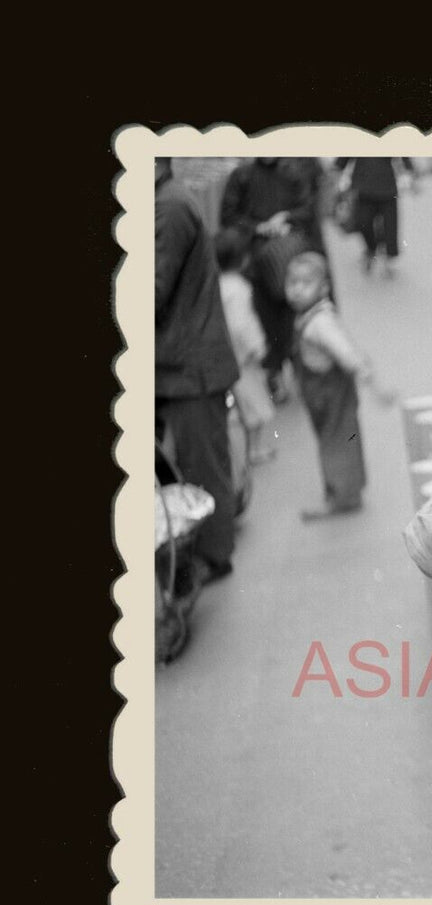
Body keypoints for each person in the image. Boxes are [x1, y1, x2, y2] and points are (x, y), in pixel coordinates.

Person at [155, 156, 240, 586]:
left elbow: (151, 290)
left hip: (190, 366)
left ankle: (214, 555)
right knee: (197, 461)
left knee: (203, 466)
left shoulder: (167, 207)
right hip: (178, 363)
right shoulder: (165, 200)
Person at [284, 252, 395, 521]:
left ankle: (343, 496)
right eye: (292, 282)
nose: (297, 289)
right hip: (325, 393)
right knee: (341, 438)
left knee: (336, 442)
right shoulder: (311, 315)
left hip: (329, 394)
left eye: (305, 283)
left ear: (324, 288)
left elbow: (344, 351)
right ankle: (348, 491)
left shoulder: (319, 322)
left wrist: (369, 378)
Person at [219, 157, 329, 401]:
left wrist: (286, 218)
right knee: (267, 320)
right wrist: (257, 228)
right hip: (258, 265)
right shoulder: (242, 176)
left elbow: (308, 208)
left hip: (291, 259)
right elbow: (229, 215)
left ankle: (301, 370)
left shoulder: (293, 172)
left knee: (295, 319)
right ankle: (274, 374)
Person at [213, 228, 277, 464]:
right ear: (243, 259)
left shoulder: (217, 285)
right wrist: (257, 347)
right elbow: (242, 324)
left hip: (224, 352)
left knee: (241, 403)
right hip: (243, 356)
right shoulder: (239, 288)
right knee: (255, 404)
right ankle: (254, 449)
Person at [334, 157, 414, 276]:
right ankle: (371, 248)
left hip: (387, 188)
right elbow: (343, 159)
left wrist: (408, 169)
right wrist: (338, 171)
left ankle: (388, 257)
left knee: (390, 226)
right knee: (363, 223)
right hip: (363, 189)